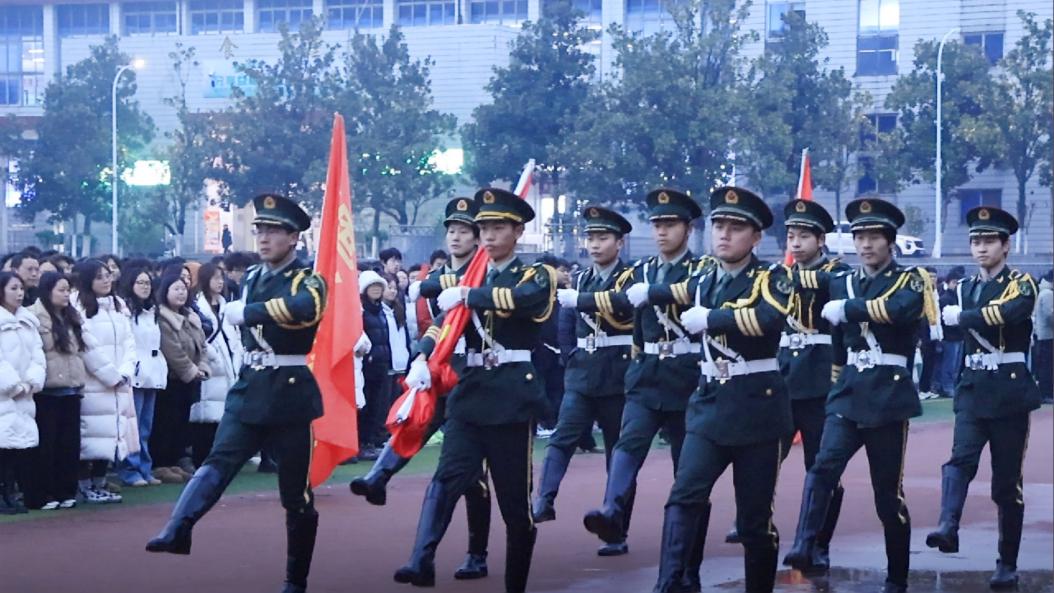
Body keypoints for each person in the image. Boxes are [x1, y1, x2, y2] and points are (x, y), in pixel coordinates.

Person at [146, 193, 327, 593]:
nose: (264, 238)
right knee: (219, 460)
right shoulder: (253, 276)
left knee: (295, 495)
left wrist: (250, 312)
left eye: (274, 231)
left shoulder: (308, 279)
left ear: (293, 238)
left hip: (289, 392)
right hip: (251, 386)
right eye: (260, 230)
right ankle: (178, 527)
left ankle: (295, 580)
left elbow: (306, 309)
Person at [394, 188, 554, 593]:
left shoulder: (534, 274)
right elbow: (444, 324)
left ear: (518, 231)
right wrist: (422, 355)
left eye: (498, 227)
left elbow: (524, 300)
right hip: (470, 393)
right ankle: (420, 558)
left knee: (515, 507)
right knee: (447, 477)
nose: (489, 235)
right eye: (484, 228)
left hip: (511, 397)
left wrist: (468, 293)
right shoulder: (469, 276)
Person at [783, 198, 936, 593]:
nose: (865, 244)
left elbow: (901, 309)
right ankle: (805, 543)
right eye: (859, 237)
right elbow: (836, 340)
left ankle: (897, 576)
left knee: (887, 497)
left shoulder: (911, 279)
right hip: (848, 392)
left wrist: (850, 309)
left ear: (890, 241)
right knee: (822, 468)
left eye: (873, 237)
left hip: (888, 396)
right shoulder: (843, 281)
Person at [646, 187, 793, 592]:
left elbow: (768, 318)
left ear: (756, 237)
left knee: (753, 523)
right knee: (684, 495)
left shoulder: (772, 277)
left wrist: (713, 318)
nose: (724, 234)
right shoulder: (702, 278)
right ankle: (669, 583)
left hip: (757, 410)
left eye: (736, 228)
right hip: (709, 403)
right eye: (719, 226)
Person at [352, 197, 492, 582]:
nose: (455, 237)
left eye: (464, 231)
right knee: (413, 420)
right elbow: (440, 323)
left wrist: (440, 286)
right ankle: (379, 476)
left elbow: (434, 293)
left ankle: (476, 553)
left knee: (471, 476)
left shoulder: (485, 271)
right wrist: (421, 355)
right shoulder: (450, 274)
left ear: (478, 237)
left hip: (477, 379)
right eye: (451, 231)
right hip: (443, 371)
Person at [582, 189, 711, 589]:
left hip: (687, 377)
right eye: (656, 225)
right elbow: (636, 323)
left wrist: (655, 293)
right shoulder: (641, 270)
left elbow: (698, 292)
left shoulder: (703, 267)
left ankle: (688, 568)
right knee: (627, 444)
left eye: (669, 224)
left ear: (687, 228)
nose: (661, 232)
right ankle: (612, 508)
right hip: (647, 373)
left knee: (688, 477)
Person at [723, 199, 851, 560]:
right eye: (791, 235)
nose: (795, 242)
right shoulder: (778, 276)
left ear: (821, 240)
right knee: (762, 459)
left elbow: (833, 287)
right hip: (782, 381)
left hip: (821, 382)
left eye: (804, 236)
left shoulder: (838, 272)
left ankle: (817, 542)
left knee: (821, 467)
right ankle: (752, 520)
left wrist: (786, 276)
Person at [926, 206, 1042, 589]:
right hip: (974, 387)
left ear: (1005, 246)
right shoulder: (965, 288)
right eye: (976, 240)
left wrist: (963, 317)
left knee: (1006, 485)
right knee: (959, 459)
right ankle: (948, 524)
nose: (981, 247)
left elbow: (1008, 313)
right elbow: (961, 335)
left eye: (989, 241)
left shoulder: (1022, 283)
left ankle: (1006, 562)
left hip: (1008, 391)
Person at [534, 206, 636, 556]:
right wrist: (570, 356)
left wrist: (581, 302)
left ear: (619, 243)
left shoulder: (630, 277)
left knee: (617, 454)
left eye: (602, 238)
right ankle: (544, 499)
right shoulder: (580, 279)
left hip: (618, 374)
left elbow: (624, 307)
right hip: (582, 373)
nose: (594, 244)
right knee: (563, 436)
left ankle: (615, 528)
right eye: (590, 237)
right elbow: (566, 323)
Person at [73, 259, 137, 505]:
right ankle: (84, 485)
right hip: (93, 384)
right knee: (90, 435)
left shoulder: (118, 305)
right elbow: (86, 346)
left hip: (119, 383)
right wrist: (111, 376)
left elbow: (130, 342)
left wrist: (126, 372)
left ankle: (99, 482)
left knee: (110, 434)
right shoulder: (78, 306)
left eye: (108, 275)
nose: (106, 280)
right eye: (99, 276)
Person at [28, 272, 87, 509]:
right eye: (61, 290)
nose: (66, 294)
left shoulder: (71, 316)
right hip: (47, 391)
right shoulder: (33, 316)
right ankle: (44, 492)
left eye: (68, 290)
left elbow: (80, 351)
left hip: (71, 389)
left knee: (69, 444)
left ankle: (66, 490)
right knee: (47, 445)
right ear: (47, 290)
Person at [119, 266, 169, 486]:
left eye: (147, 283)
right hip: (135, 373)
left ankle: (144, 468)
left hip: (152, 372)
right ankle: (129, 469)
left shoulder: (153, 311)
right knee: (132, 426)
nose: (145, 287)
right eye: (140, 282)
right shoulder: (126, 311)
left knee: (146, 426)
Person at [0, 272, 45, 514]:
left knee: (17, 446)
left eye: (21, 288)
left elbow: (38, 356)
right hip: (5, 394)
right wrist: (13, 386)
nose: (19, 293)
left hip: (24, 395)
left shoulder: (28, 322)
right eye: (13, 288)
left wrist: (31, 382)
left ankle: (9, 494)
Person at [192, 262, 243, 467]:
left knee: (222, 416)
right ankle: (201, 460)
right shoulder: (198, 306)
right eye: (215, 278)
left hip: (228, 367)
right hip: (210, 366)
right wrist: (213, 358)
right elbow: (200, 338)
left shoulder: (226, 306)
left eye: (222, 278)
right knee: (205, 417)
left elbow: (235, 337)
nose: (220, 282)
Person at [358, 270, 393, 461]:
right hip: (366, 365)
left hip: (381, 363)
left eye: (379, 286)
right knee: (365, 405)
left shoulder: (381, 310)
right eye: (372, 286)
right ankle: (362, 443)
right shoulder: (360, 310)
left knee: (376, 405)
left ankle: (369, 442)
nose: (376, 289)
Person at [935, 266, 966, 399]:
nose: (956, 285)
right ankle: (946, 387)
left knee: (956, 365)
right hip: (949, 337)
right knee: (949, 364)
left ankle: (952, 385)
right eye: (954, 282)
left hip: (960, 336)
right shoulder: (945, 299)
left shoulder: (960, 298)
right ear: (948, 283)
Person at [1033, 270, 1052, 403]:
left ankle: (1045, 393)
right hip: (1048, 335)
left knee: (1045, 365)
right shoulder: (1048, 294)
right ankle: (1046, 393)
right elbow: (1050, 315)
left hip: (1043, 335)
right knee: (1047, 366)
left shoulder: (1043, 292)